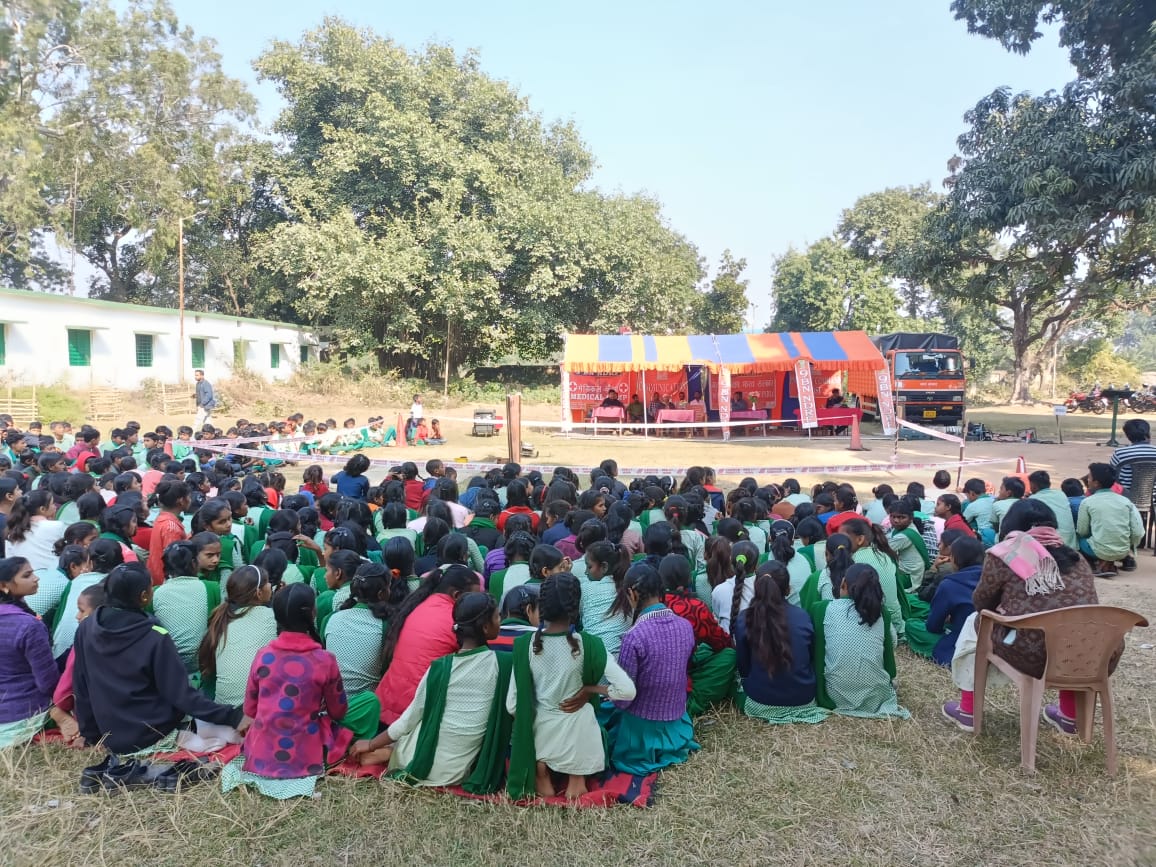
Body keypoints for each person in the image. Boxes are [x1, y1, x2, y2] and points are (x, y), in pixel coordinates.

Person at [943, 498, 1116, 735]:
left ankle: (968, 710)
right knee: (1069, 629)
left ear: (1010, 526)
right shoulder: (1078, 559)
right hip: (1088, 653)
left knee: (973, 622)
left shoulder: (1003, 556)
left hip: (1032, 654)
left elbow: (982, 604)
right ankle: (1069, 716)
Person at [72, 563, 248, 763]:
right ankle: (184, 735)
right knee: (194, 702)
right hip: (151, 732)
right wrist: (232, 716)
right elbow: (180, 694)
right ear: (144, 597)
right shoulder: (154, 636)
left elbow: (81, 685)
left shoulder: (86, 627)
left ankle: (197, 728)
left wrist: (90, 733)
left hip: (112, 735)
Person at [221, 583, 380, 799]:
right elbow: (338, 712)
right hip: (306, 756)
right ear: (313, 613)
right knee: (369, 701)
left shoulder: (263, 655)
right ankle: (351, 747)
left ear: (276, 616)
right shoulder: (325, 660)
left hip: (260, 755)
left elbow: (250, 709)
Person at [353, 593, 514, 794]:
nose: (500, 620)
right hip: (455, 772)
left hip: (421, 762)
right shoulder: (504, 664)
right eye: (497, 616)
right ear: (486, 627)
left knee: (422, 720)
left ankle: (390, 752)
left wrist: (370, 743)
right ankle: (389, 751)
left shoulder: (440, 667)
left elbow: (408, 720)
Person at [505, 573, 636, 800]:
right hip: (578, 735)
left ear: (541, 608)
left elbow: (513, 705)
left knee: (542, 716)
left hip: (540, 734)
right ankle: (577, 777)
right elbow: (627, 691)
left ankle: (542, 767)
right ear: (577, 607)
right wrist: (590, 690)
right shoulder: (590, 644)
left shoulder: (525, 646)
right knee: (584, 713)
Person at [608, 564, 698, 775]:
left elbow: (624, 699)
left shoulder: (634, 636)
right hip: (677, 722)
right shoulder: (685, 626)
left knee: (602, 713)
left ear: (632, 593)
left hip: (640, 732)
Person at [376, 565, 480, 724]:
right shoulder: (457, 620)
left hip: (386, 704)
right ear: (457, 595)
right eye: (474, 598)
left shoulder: (417, 606)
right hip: (414, 714)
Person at [809, 563, 908, 719]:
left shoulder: (822, 609)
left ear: (843, 583)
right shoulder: (881, 613)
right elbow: (891, 655)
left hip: (834, 696)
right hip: (876, 698)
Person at [733, 564, 826, 724]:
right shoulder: (803, 616)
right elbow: (808, 657)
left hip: (760, 702)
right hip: (803, 700)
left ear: (757, 587)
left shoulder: (744, 618)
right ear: (788, 589)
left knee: (731, 683)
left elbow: (743, 667)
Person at [0, 557, 64, 749]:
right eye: (27, 575)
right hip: (24, 713)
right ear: (4, 586)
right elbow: (47, 682)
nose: (36, 578)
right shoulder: (28, 626)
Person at [197, 565, 276, 706]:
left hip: (222, 709)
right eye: (268, 582)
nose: (271, 585)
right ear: (258, 593)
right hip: (255, 711)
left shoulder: (221, 620)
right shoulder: (270, 616)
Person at [905, 536, 984, 664]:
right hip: (991, 641)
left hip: (962, 641)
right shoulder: (993, 578)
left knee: (911, 625)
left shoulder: (950, 583)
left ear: (955, 558)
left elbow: (933, 626)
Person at [152, 541, 221, 674]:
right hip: (203, 665)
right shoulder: (211, 588)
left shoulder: (155, 593)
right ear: (194, 563)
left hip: (168, 666)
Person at [1076, 463, 1144, 576]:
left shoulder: (1087, 502)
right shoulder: (1126, 502)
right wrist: (1129, 546)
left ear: (1096, 483)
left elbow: (1082, 531)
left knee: (1078, 539)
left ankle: (1095, 563)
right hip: (1123, 551)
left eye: (1089, 477)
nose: (1087, 480)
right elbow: (1138, 532)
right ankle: (1117, 560)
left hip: (1098, 551)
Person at [4, 490, 65, 571]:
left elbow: (9, 559)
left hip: (24, 576)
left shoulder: (11, 531)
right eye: (52, 504)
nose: (55, 506)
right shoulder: (56, 526)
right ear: (42, 509)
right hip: (52, 575)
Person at [147, 480, 190, 587]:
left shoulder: (162, 518)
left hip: (156, 576)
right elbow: (173, 560)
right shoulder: (171, 528)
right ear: (181, 500)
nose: (190, 500)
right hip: (166, 582)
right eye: (189, 497)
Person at [711, 540, 759, 633]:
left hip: (728, 640)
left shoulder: (719, 590)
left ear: (731, 562)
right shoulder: (766, 587)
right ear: (756, 565)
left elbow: (716, 615)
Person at [1027, 470, 1078, 549]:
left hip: (1053, 546)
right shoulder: (1061, 494)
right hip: (1071, 544)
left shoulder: (1032, 499)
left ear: (1033, 485)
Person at [1110, 418, 1156, 493]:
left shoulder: (1120, 453)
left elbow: (1111, 474)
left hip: (1125, 496)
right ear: (1148, 433)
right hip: (1153, 496)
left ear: (1128, 436)